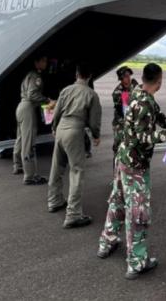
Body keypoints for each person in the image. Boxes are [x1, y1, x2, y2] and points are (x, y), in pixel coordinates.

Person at [97, 62, 166, 280]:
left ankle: (107, 241)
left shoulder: (138, 93)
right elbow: (141, 137)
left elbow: (158, 115)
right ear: (160, 80)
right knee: (138, 213)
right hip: (135, 165)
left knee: (117, 201)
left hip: (123, 159)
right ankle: (137, 262)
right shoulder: (144, 102)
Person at [47, 63, 102, 228]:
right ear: (90, 76)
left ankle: (54, 201)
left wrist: (54, 128)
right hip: (75, 130)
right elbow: (93, 121)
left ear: (76, 74)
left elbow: (56, 112)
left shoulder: (66, 90)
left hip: (61, 128)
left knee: (56, 167)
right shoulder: (91, 94)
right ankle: (73, 214)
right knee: (77, 171)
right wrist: (96, 135)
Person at [12, 55, 53, 185]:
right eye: (43, 60)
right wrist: (48, 100)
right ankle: (30, 176)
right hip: (28, 109)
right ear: (37, 62)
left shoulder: (28, 75)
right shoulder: (36, 76)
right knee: (28, 143)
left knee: (20, 139)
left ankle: (17, 165)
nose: (46, 63)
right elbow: (32, 94)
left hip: (21, 107)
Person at [111, 66, 138, 155]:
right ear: (121, 78)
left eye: (129, 75)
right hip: (120, 122)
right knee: (118, 145)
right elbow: (122, 111)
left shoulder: (135, 85)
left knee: (133, 146)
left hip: (133, 121)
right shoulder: (117, 92)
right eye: (126, 76)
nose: (128, 78)